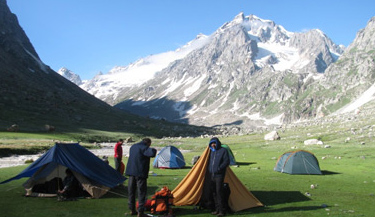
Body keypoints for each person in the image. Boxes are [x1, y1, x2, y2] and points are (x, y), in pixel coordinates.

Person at [125, 138, 157, 217]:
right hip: (140, 173)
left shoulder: (133, 147)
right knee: (141, 192)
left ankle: (132, 209)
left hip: (131, 172)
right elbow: (152, 153)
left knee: (131, 191)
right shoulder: (144, 148)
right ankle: (140, 211)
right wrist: (153, 149)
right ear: (148, 143)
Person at [207, 137, 230, 217]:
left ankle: (222, 211)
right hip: (212, 175)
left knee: (219, 192)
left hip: (219, 175)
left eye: (214, 143)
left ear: (217, 143)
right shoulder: (212, 151)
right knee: (214, 192)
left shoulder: (223, 151)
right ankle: (217, 209)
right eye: (212, 143)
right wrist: (210, 170)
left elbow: (226, 161)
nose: (213, 145)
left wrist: (219, 169)